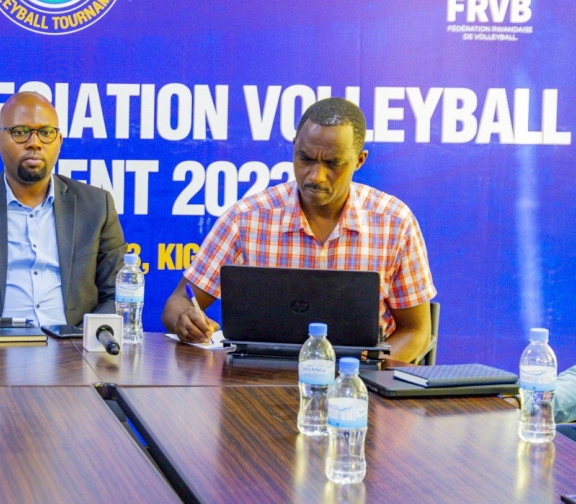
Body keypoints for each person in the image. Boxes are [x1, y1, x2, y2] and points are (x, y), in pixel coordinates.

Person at [161, 98, 436, 363]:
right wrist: (184, 318)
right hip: (255, 383)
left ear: (359, 160)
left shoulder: (394, 222)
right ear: (294, 147)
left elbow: (417, 331)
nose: (316, 176)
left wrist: (363, 376)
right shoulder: (246, 219)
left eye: (332, 164)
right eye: (305, 159)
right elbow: (178, 301)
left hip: (358, 388)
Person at [0, 91, 127, 332]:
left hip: (73, 352)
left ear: (59, 142)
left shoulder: (96, 205)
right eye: (20, 132)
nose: (35, 143)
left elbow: (118, 294)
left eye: (46, 133)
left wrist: (83, 337)